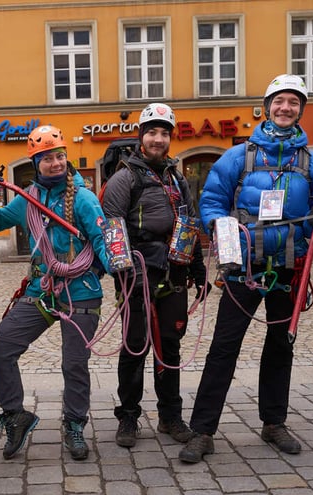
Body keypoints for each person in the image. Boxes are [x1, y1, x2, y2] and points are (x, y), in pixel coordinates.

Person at [179, 75, 313, 464]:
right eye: (279, 101)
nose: (285, 108)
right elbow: (211, 201)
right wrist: (225, 231)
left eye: (293, 102)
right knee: (224, 347)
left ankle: (274, 423)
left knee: (281, 346)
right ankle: (202, 430)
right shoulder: (237, 157)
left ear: (301, 110)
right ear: (267, 107)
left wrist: (310, 232)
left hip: (288, 268)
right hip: (243, 268)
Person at [0, 125, 110, 461]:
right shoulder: (28, 200)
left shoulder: (83, 199)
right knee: (1, 348)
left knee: (74, 363)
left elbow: (101, 240)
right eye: (47, 158)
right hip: (43, 290)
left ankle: (74, 424)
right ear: (35, 163)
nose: (56, 163)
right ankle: (15, 416)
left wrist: (118, 268)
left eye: (59, 156)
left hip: (81, 290)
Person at [102, 102, 207, 448]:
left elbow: (188, 225)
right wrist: (126, 275)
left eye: (164, 133)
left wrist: (197, 269)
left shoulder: (177, 178)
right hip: (137, 274)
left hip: (173, 273)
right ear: (141, 136)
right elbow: (113, 230)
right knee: (135, 346)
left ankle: (170, 416)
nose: (158, 139)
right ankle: (128, 416)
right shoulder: (124, 178)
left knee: (170, 344)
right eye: (152, 132)